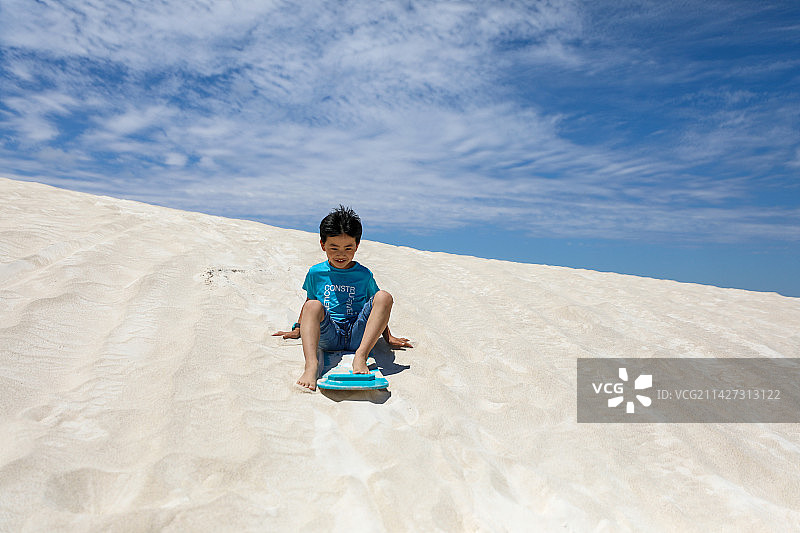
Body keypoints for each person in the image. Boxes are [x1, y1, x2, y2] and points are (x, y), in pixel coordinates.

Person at [273, 205, 412, 391]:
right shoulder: (316, 273)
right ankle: (311, 366)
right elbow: (309, 303)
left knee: (384, 296)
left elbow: (378, 310)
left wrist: (388, 337)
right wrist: (297, 328)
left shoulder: (364, 275)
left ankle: (361, 357)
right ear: (323, 245)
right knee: (313, 305)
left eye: (348, 248)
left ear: (357, 246)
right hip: (328, 335)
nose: (341, 254)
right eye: (334, 247)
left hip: (357, 335)